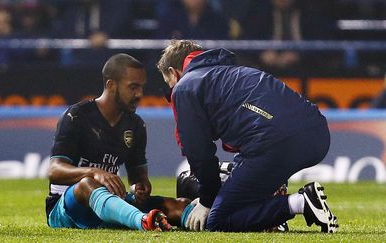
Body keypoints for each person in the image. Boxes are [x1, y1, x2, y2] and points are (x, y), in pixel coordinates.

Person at [156, 40, 339, 232]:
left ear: (173, 72)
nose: (171, 91)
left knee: (217, 220)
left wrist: (207, 200)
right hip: (317, 134)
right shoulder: (234, 73)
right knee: (247, 169)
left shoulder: (185, 87)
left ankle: (300, 202)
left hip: (275, 143)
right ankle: (271, 208)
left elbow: (198, 152)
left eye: (169, 84)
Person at [45, 53, 190, 231]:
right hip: (66, 209)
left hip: (111, 203)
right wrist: (94, 172)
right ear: (111, 85)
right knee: (87, 184)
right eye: (133, 87)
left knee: (179, 206)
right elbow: (54, 170)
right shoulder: (76, 117)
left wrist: (140, 188)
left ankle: (215, 220)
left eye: (141, 87)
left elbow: (138, 178)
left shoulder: (136, 125)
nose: (139, 94)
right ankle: (143, 222)